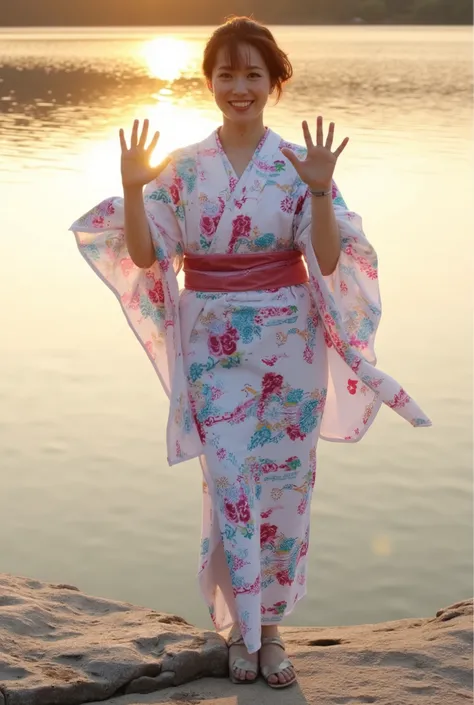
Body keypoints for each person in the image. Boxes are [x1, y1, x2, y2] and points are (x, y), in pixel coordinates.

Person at [70, 16, 431, 690]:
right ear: (208, 81)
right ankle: (243, 630)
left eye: (253, 74)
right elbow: (149, 257)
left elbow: (326, 257)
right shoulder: (182, 168)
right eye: (227, 74)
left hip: (290, 349)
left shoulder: (295, 164)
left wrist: (320, 189)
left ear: (275, 82)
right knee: (231, 485)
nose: (240, 87)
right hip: (213, 348)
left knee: (286, 490)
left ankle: (272, 631)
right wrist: (130, 189)